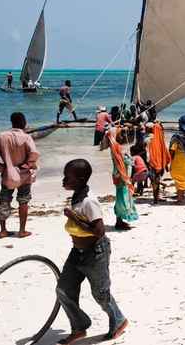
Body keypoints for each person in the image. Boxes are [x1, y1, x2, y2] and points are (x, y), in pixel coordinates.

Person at [57, 159, 128, 344]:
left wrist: (74, 218)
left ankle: (118, 320)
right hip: (77, 252)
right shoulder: (77, 195)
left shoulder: (89, 201)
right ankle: (79, 328)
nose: (63, 181)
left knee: (101, 294)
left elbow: (99, 231)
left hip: (95, 253)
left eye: (68, 177)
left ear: (80, 179)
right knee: (63, 289)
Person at [0, 112, 39, 238]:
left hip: (8, 174)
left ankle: (3, 230)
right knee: (23, 201)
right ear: (23, 122)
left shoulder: (2, 136)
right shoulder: (26, 137)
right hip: (24, 174)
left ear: (12, 122)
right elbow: (34, 153)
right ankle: (22, 230)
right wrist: (28, 164)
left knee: (4, 200)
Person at [102, 126, 139, 228]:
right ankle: (119, 221)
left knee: (121, 197)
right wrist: (132, 160)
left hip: (119, 175)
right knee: (123, 198)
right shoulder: (117, 148)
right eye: (120, 134)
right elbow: (127, 161)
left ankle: (119, 219)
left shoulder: (114, 146)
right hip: (121, 176)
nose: (123, 135)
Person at [146, 122, 171, 203]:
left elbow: (147, 152)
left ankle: (155, 198)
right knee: (157, 179)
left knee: (154, 181)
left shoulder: (148, 138)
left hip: (152, 163)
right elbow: (165, 150)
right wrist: (166, 163)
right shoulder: (160, 138)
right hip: (159, 163)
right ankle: (156, 197)